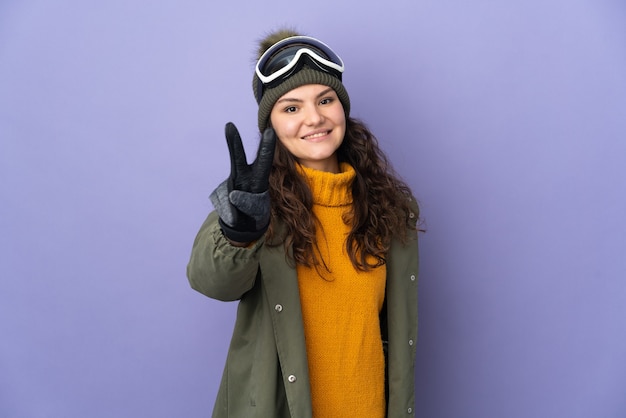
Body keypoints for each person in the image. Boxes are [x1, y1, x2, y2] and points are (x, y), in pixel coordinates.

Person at [187, 28, 420, 418]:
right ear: (272, 125)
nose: (314, 118)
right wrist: (239, 237)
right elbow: (210, 282)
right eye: (291, 108)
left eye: (325, 100)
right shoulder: (255, 206)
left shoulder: (389, 208)